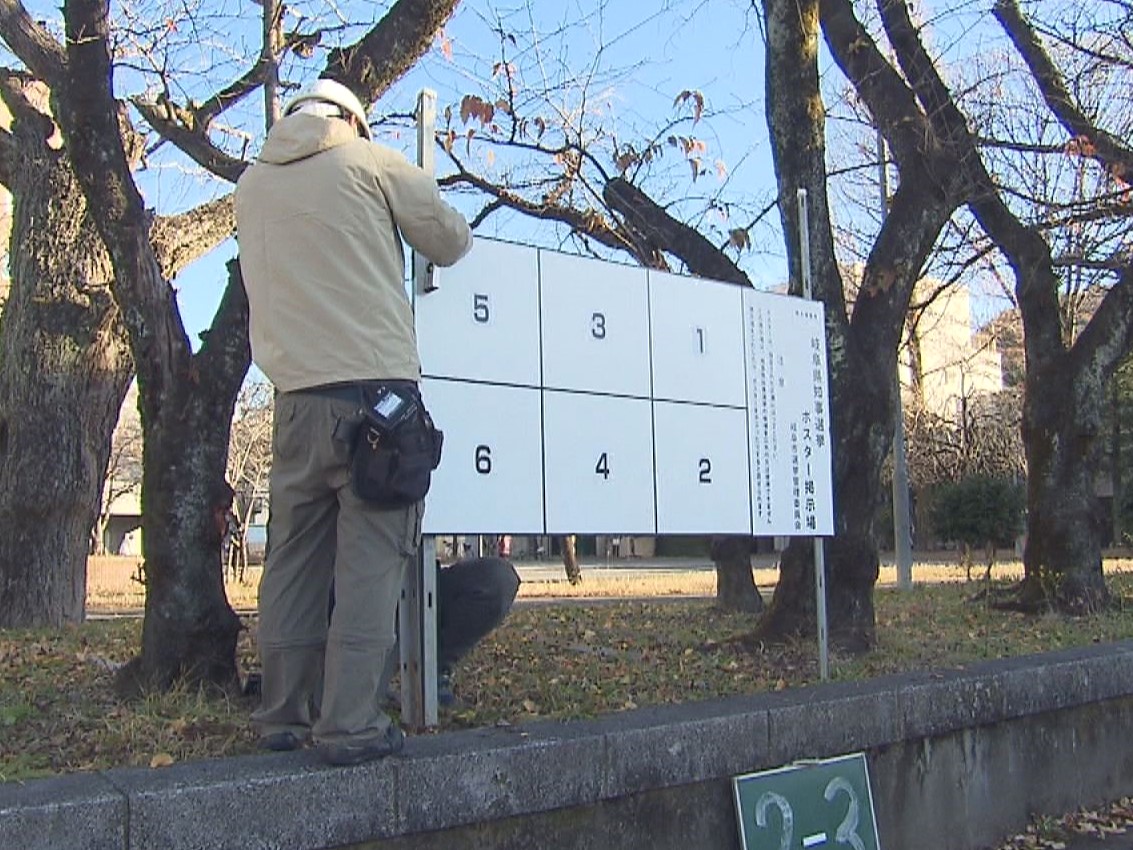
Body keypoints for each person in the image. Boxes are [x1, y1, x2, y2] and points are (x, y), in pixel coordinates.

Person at [234, 78, 472, 766]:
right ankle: (349, 726)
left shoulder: (251, 186)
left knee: (291, 565)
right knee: (371, 563)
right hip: (375, 400)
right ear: (351, 119)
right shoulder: (369, 160)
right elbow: (449, 238)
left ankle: (281, 716)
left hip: (292, 401)